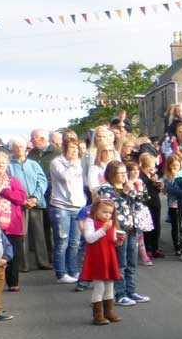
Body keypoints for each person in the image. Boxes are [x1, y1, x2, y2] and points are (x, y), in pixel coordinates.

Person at [98, 161, 149, 307]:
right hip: (118, 228)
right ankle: (119, 294)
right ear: (112, 174)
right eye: (120, 173)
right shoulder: (105, 189)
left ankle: (131, 291)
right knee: (120, 262)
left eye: (124, 173)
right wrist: (125, 192)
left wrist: (139, 191)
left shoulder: (128, 185)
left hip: (132, 226)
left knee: (132, 261)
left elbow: (139, 204)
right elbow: (112, 207)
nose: (123, 176)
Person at [0, 151, 26, 292]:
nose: (0, 165)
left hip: (13, 223)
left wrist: (3, 191)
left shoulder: (13, 180)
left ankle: (13, 282)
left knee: (14, 253)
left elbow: (20, 198)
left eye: (3, 162)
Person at [7, 138, 50, 272]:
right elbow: (8, 184)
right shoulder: (8, 165)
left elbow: (42, 181)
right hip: (18, 204)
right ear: (12, 149)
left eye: (22, 146)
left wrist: (35, 197)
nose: (20, 149)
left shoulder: (34, 164)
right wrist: (22, 200)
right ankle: (23, 264)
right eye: (17, 146)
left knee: (39, 235)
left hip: (35, 203)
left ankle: (43, 262)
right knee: (22, 235)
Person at [48, 135, 86, 283]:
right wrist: (72, 163)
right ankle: (61, 273)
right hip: (61, 206)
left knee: (75, 242)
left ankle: (73, 270)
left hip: (77, 206)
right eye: (71, 148)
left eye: (76, 148)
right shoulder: (56, 162)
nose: (75, 151)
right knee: (62, 242)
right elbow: (65, 177)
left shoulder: (79, 163)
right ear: (64, 149)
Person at [80, 196, 122, 325]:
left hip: (108, 256)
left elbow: (112, 240)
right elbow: (89, 238)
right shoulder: (90, 222)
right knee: (99, 286)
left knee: (109, 284)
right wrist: (103, 229)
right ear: (96, 210)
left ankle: (109, 311)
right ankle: (98, 314)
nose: (107, 215)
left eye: (110, 213)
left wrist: (118, 241)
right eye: (104, 212)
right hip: (97, 257)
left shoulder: (112, 223)